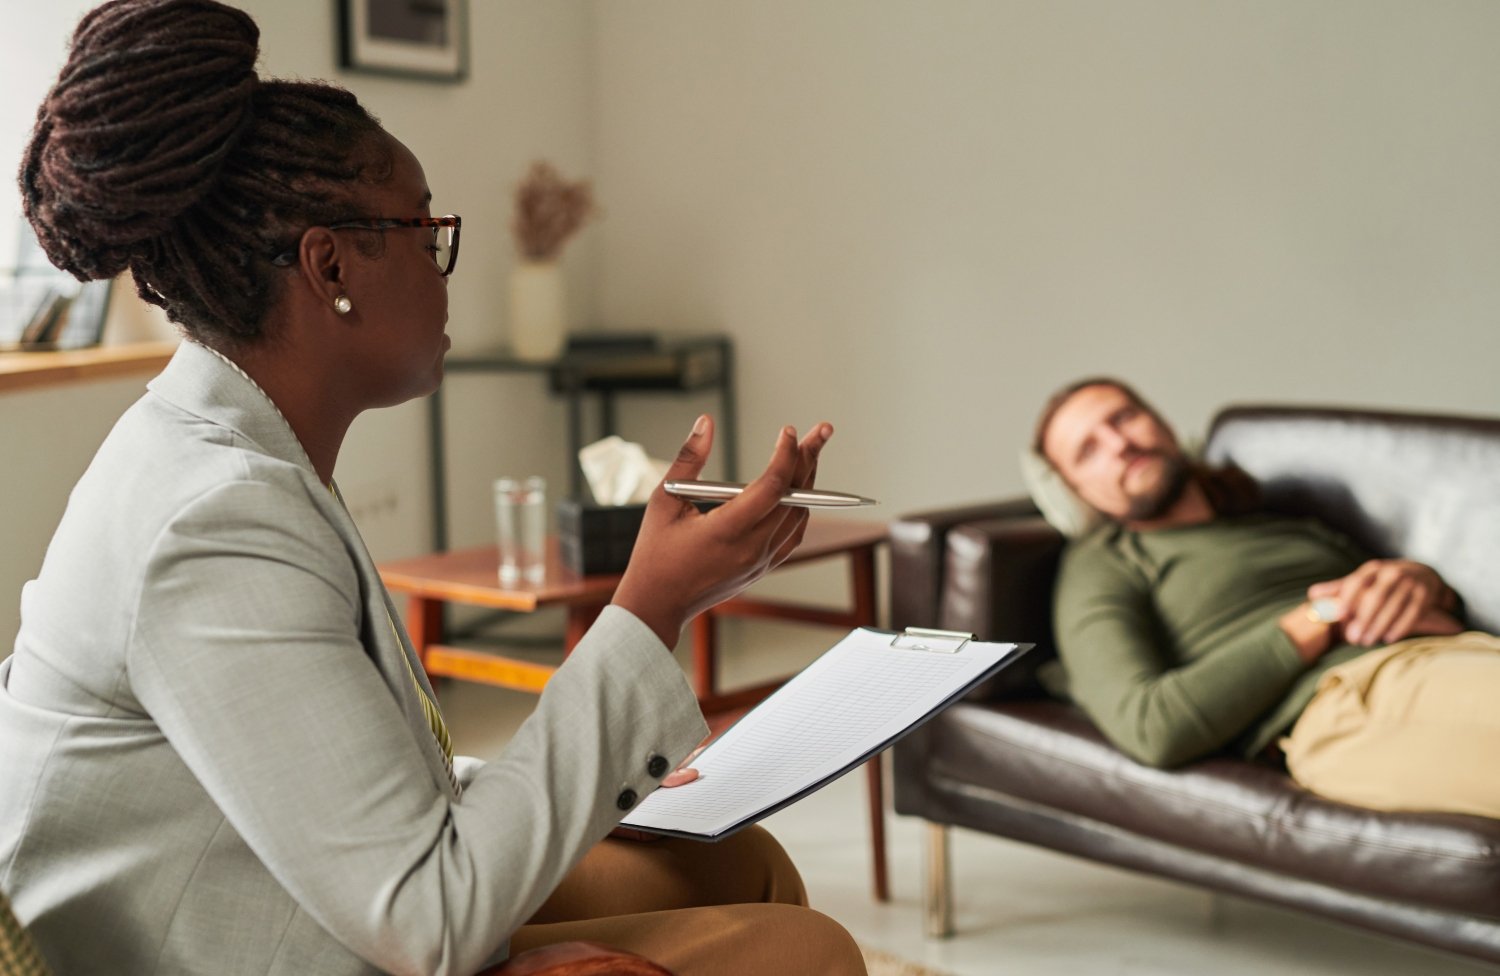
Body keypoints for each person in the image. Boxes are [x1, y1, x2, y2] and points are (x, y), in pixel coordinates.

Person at [0, 2, 868, 974]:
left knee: (738, 862)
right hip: (232, 949)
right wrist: (651, 603)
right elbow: (426, 919)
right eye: (426, 230)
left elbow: (331, 771)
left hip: (302, 894)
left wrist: (608, 772)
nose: (443, 267)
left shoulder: (232, 456)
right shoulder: (212, 520)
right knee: (802, 952)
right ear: (331, 264)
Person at [1031, 376, 1500, 818]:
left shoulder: (1284, 526)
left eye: (1124, 417)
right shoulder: (1105, 563)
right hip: (1347, 700)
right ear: (1079, 492)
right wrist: (1319, 619)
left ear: (1163, 423)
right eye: (1088, 451)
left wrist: (1423, 584)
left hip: (1455, 653)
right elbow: (1149, 727)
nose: (1120, 444)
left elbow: (1381, 596)